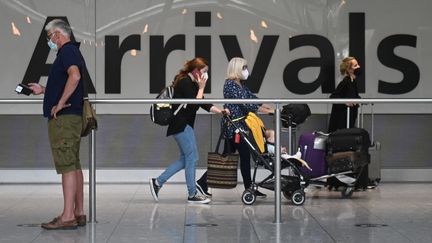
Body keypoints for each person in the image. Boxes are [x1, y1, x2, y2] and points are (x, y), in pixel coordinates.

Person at [28, 19, 86, 230]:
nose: (49, 40)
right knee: (74, 164)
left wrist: (60, 103)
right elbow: (67, 80)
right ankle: (78, 212)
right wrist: (44, 90)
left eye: (50, 36)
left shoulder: (67, 51)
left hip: (65, 119)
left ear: (59, 35)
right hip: (72, 118)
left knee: (67, 166)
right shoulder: (69, 52)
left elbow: (75, 76)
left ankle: (68, 215)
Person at [149, 57, 228, 204]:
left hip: (183, 125)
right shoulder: (185, 82)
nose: (205, 76)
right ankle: (192, 194)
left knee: (185, 159)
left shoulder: (191, 83)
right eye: (204, 72)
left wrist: (220, 111)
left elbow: (204, 103)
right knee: (192, 158)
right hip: (181, 125)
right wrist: (202, 87)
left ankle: (157, 182)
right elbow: (194, 105)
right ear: (196, 71)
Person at [196, 57, 274, 198]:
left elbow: (252, 98)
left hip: (239, 126)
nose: (246, 71)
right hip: (234, 127)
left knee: (227, 157)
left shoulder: (241, 85)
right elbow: (246, 104)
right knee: (241, 156)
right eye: (244, 68)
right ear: (236, 69)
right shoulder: (230, 85)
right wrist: (266, 110)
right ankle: (248, 188)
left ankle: (203, 182)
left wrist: (266, 106)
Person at [328, 57, 361, 133]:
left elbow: (354, 96)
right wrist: (345, 102)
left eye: (358, 64)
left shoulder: (353, 82)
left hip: (349, 119)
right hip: (341, 122)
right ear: (349, 70)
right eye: (355, 65)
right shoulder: (345, 82)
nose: (358, 67)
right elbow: (333, 97)